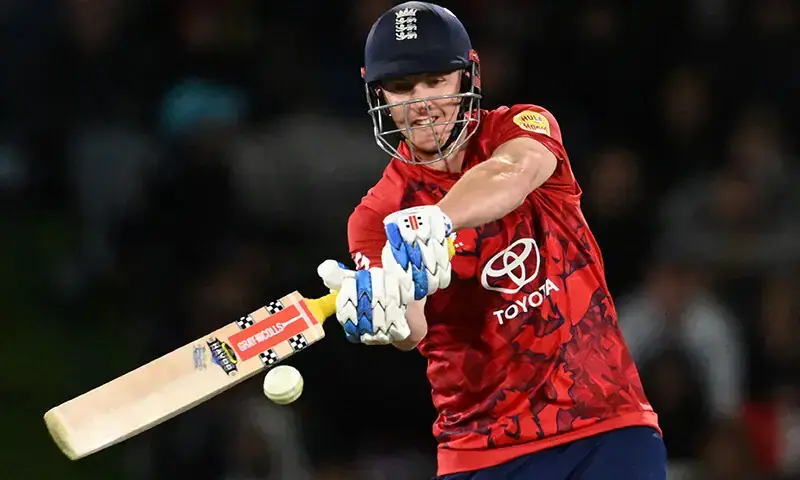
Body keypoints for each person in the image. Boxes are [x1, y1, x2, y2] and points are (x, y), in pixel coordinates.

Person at [316, 2, 666, 478]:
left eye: (436, 80)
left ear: (468, 76)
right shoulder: (376, 215)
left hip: (606, 425)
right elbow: (413, 329)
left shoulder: (521, 126)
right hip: (481, 449)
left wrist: (435, 221)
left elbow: (512, 173)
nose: (421, 102)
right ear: (376, 91)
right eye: (402, 86)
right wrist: (388, 312)